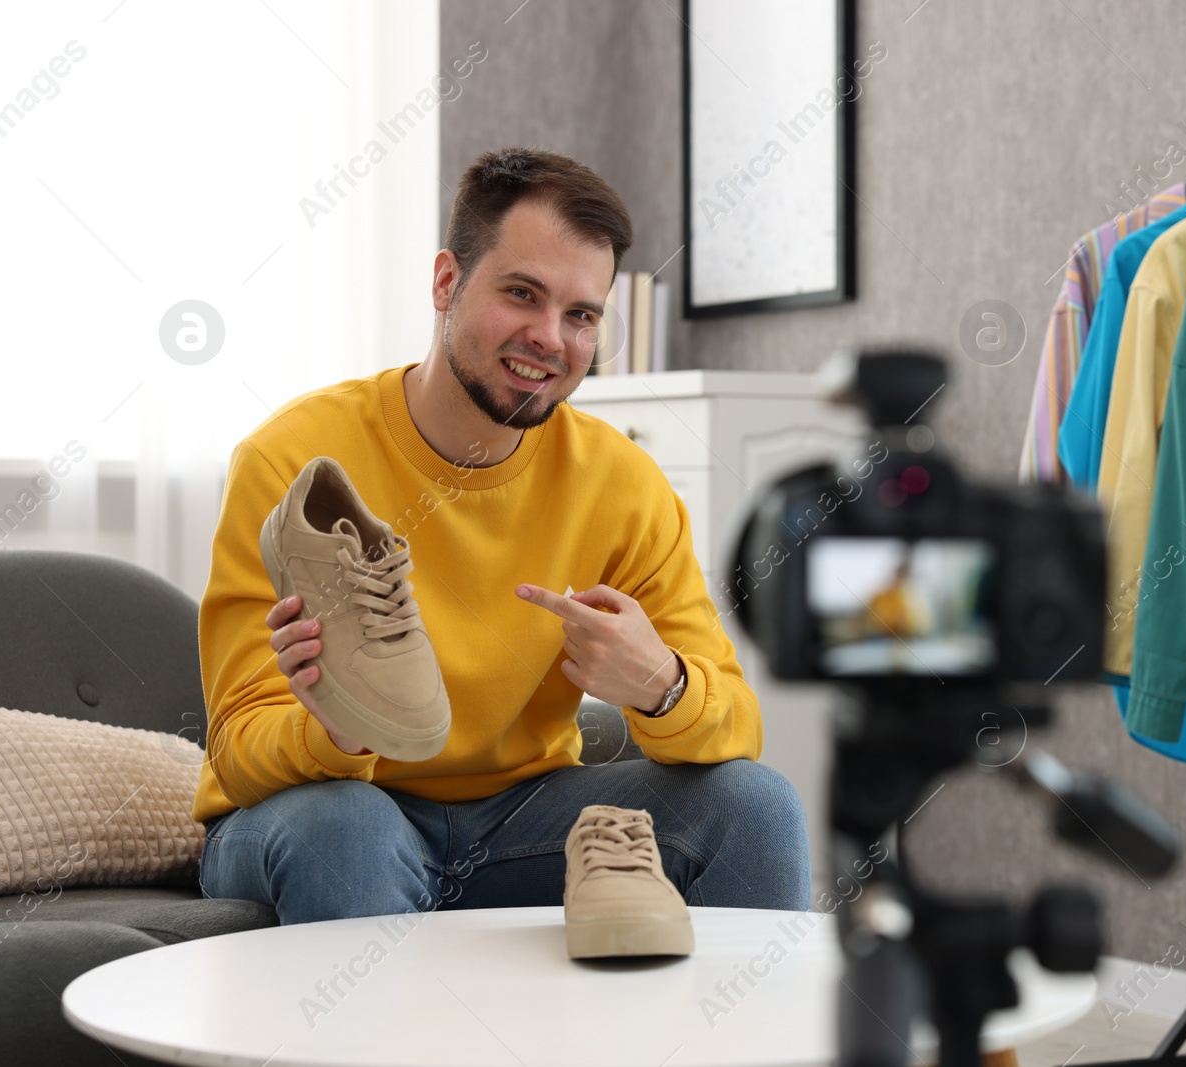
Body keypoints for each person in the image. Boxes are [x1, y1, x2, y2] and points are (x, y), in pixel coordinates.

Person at [194, 146, 811, 925]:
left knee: (756, 805)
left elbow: (739, 721)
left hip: (523, 823)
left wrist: (662, 683)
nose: (551, 337)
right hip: (319, 812)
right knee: (346, 826)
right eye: (523, 293)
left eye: (581, 315)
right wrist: (335, 732)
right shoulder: (292, 460)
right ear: (446, 282)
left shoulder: (620, 483)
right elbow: (236, 747)